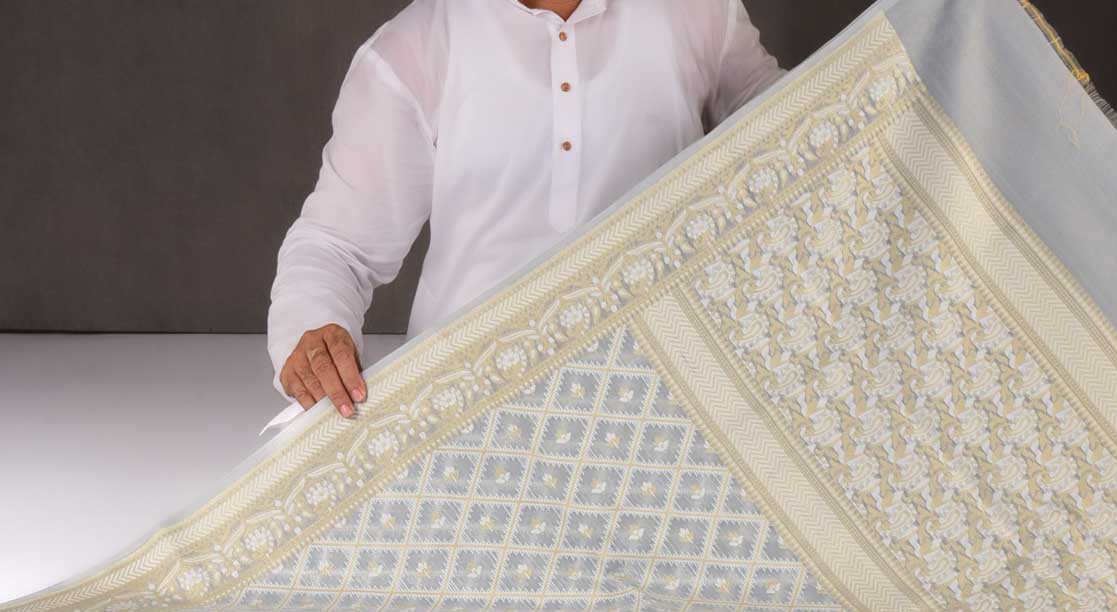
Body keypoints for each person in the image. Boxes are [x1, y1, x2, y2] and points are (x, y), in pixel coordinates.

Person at [269, 0, 783, 417]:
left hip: (674, 405)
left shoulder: (698, 12)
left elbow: (797, 142)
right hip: (463, 414)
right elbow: (337, 246)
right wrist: (315, 329)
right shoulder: (415, 47)